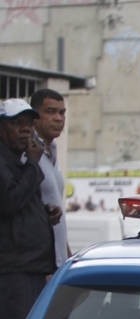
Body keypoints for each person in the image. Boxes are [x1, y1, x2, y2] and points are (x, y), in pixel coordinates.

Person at [0, 98, 59, 319]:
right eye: (17, 123)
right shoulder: (16, 162)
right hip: (13, 272)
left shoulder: (20, 161)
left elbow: (20, 203)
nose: (25, 129)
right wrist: (33, 164)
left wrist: (44, 214)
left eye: (28, 123)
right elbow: (8, 201)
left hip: (31, 267)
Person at [32, 88, 69, 269]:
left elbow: (58, 213)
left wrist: (67, 256)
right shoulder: (28, 153)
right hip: (37, 264)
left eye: (62, 112)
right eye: (50, 111)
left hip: (57, 263)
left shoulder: (52, 152)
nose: (58, 118)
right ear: (35, 116)